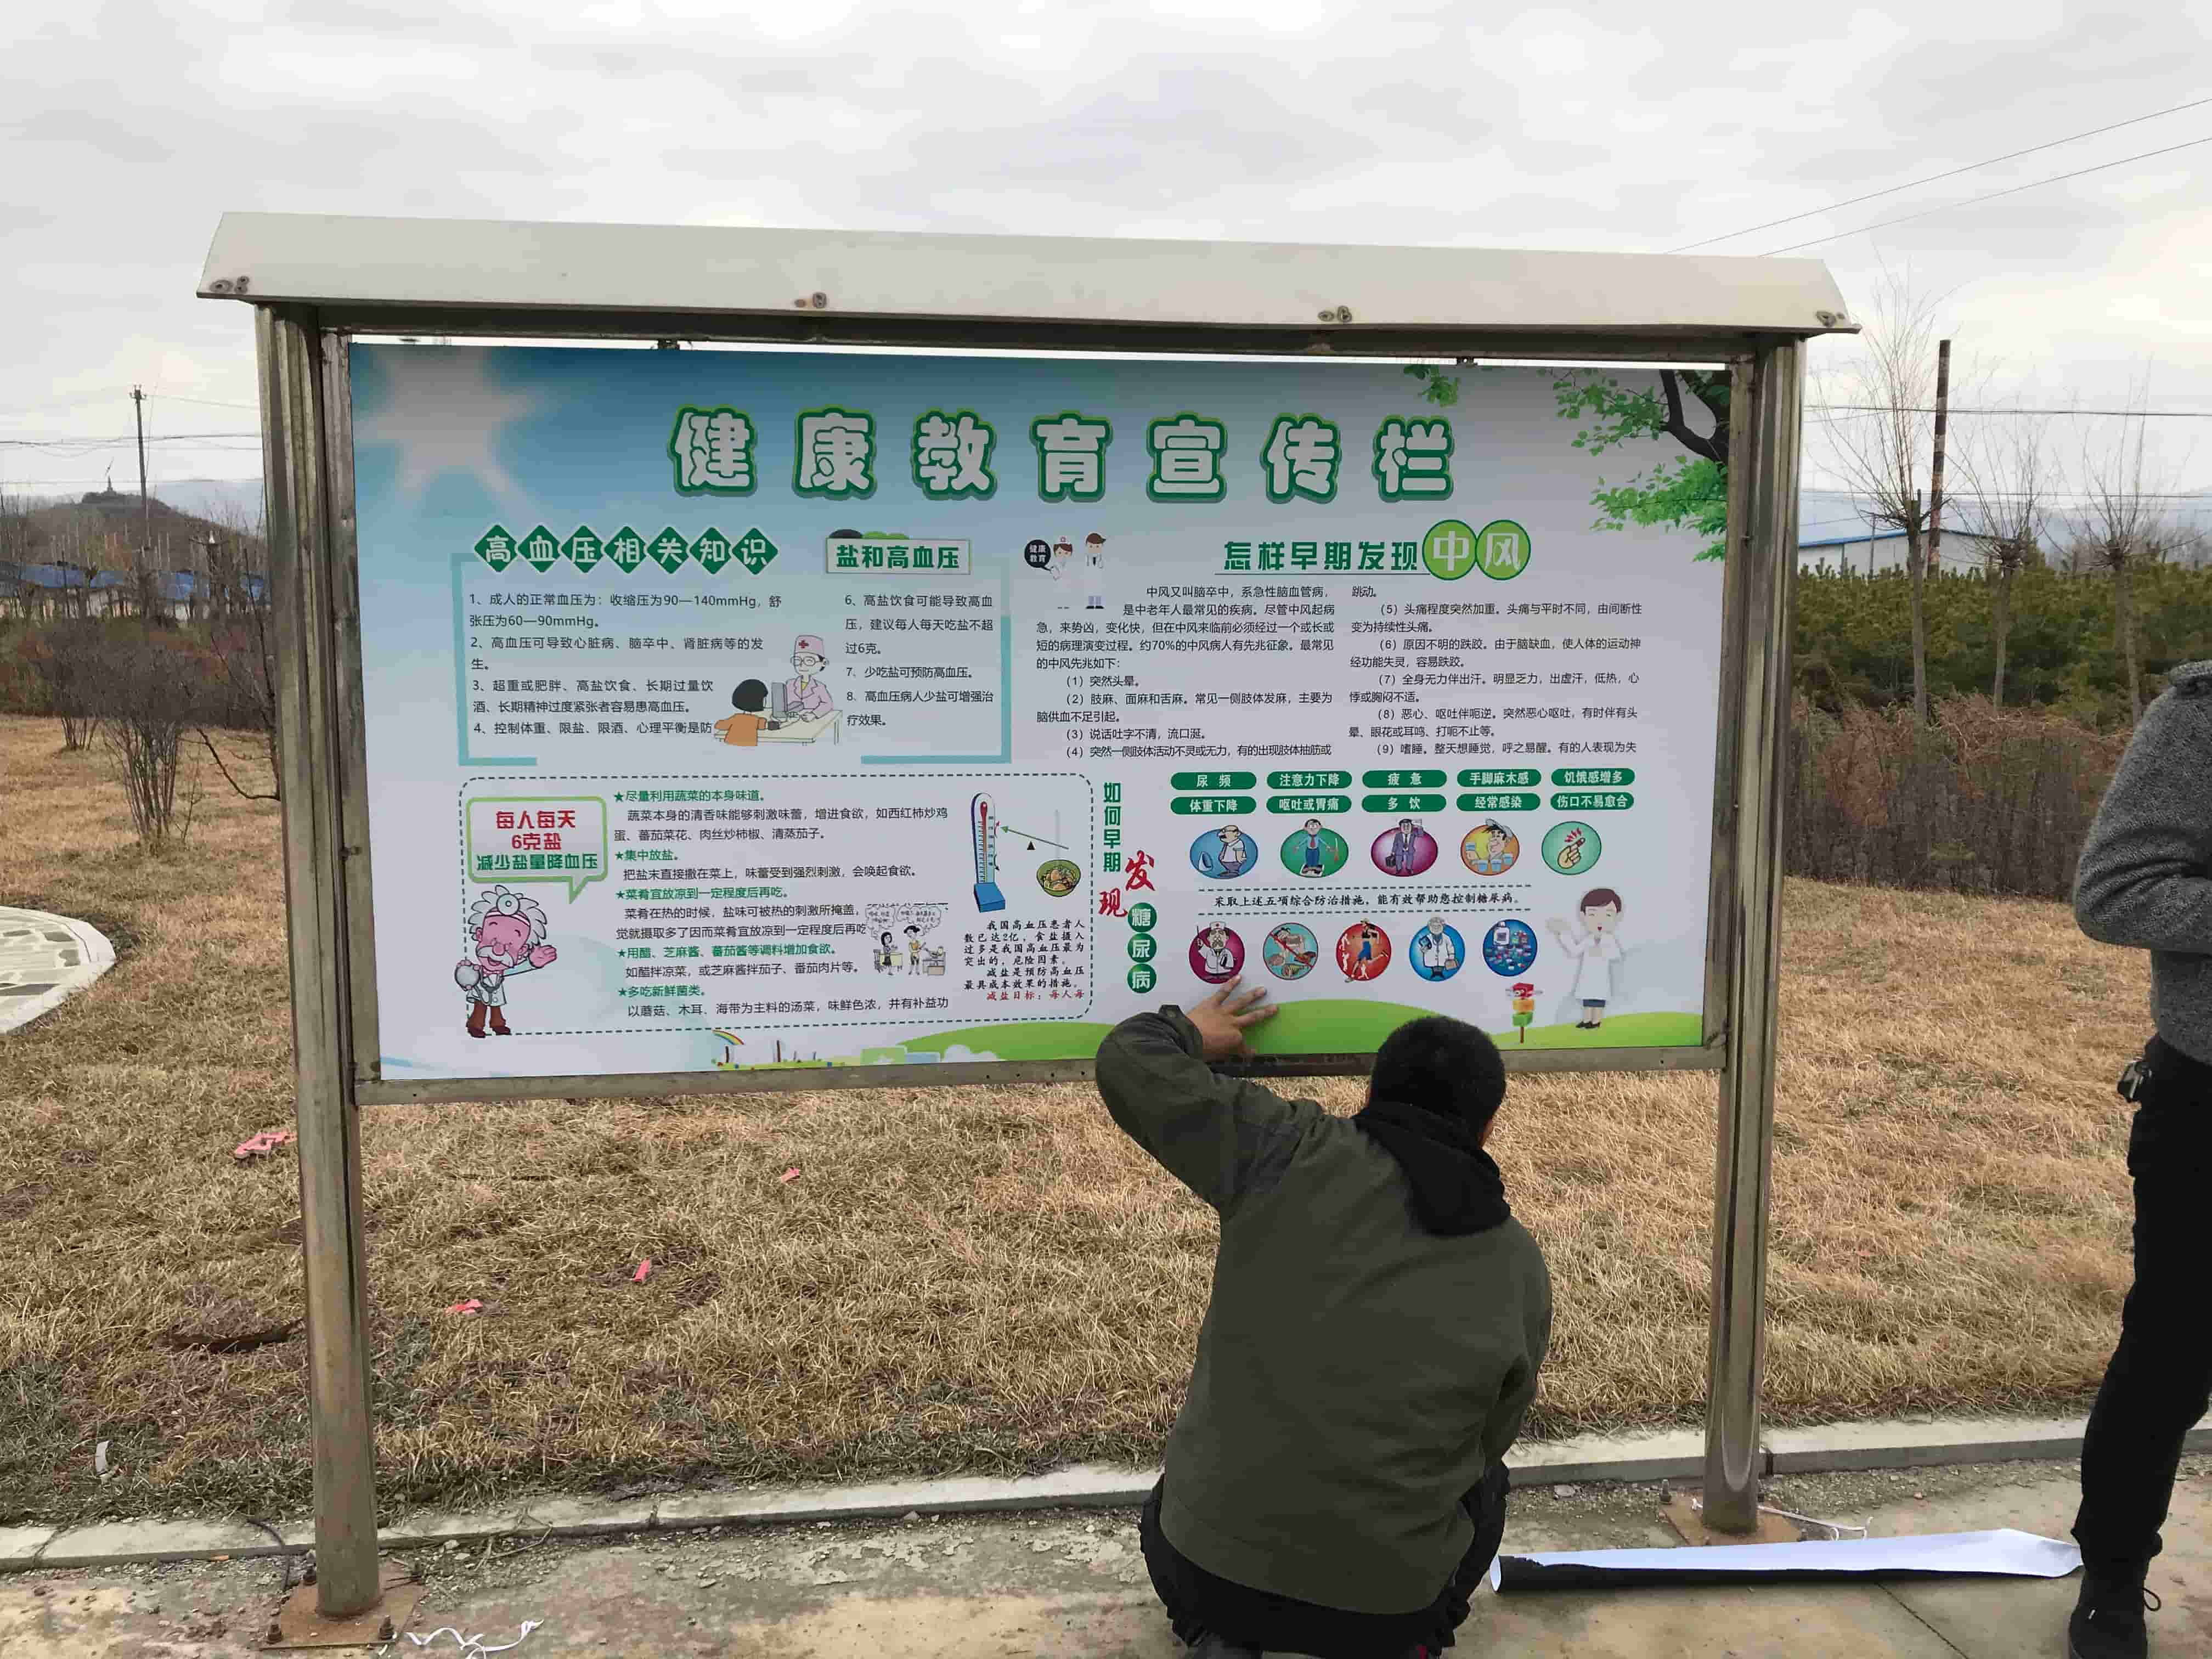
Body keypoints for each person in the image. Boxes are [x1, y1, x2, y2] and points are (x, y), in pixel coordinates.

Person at [1096, 985, 1551, 1659]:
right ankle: (1415, 1641)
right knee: (1490, 1484)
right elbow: (1489, 1441)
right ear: (1488, 1127)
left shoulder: (1284, 1152)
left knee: (1175, 1500)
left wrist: (1191, 1031)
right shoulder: (1519, 1264)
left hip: (1204, 1577)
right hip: (1385, 1614)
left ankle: (1219, 1634)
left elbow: (1127, 1060)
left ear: (1372, 1092)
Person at [2065, 658, 2212, 1659]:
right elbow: (2113, 892)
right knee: (2171, 1355)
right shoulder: (2200, 716)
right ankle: (2112, 1577)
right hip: (2207, 1095)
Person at [1545, 889, 1624, 1029]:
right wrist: (1564, 933)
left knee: (1598, 1000)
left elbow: (1616, 955)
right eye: (1593, 914)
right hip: (1587, 976)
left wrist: (1602, 951)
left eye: (1608, 915)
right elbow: (1574, 951)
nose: (1600, 921)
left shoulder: (1609, 939)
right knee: (1587, 999)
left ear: (1617, 917)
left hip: (1601, 977)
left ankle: (1596, 1021)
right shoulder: (1588, 939)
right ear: (1583, 916)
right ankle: (1587, 1020)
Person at [713, 679, 781, 746]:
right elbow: (765, 725)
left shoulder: (736, 718)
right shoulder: (756, 720)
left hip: (731, 745)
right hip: (749, 748)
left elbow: (718, 725)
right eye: (764, 698)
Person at [782, 636, 836, 720]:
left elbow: (828, 704)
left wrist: (814, 714)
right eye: (798, 660)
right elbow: (783, 703)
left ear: (823, 663)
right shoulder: (790, 684)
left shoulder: (820, 687)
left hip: (812, 721)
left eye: (809, 661)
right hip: (790, 719)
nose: (802, 665)